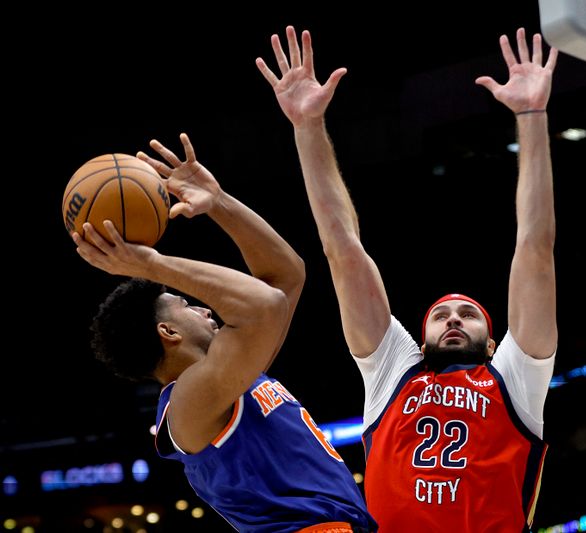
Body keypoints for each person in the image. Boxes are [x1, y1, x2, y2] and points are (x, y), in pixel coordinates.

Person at [258, 26, 558, 532]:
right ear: (420, 340)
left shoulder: (516, 379)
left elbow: (534, 248)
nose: (454, 318)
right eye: (441, 315)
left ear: (492, 345)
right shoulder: (393, 370)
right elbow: (342, 249)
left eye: (468, 314)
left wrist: (531, 117)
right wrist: (307, 127)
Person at [72, 133, 377, 533]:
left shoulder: (231, 374)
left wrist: (219, 203)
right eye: (186, 305)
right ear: (168, 332)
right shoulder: (187, 405)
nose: (204, 307)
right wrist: (152, 265)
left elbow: (287, 275)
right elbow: (264, 305)